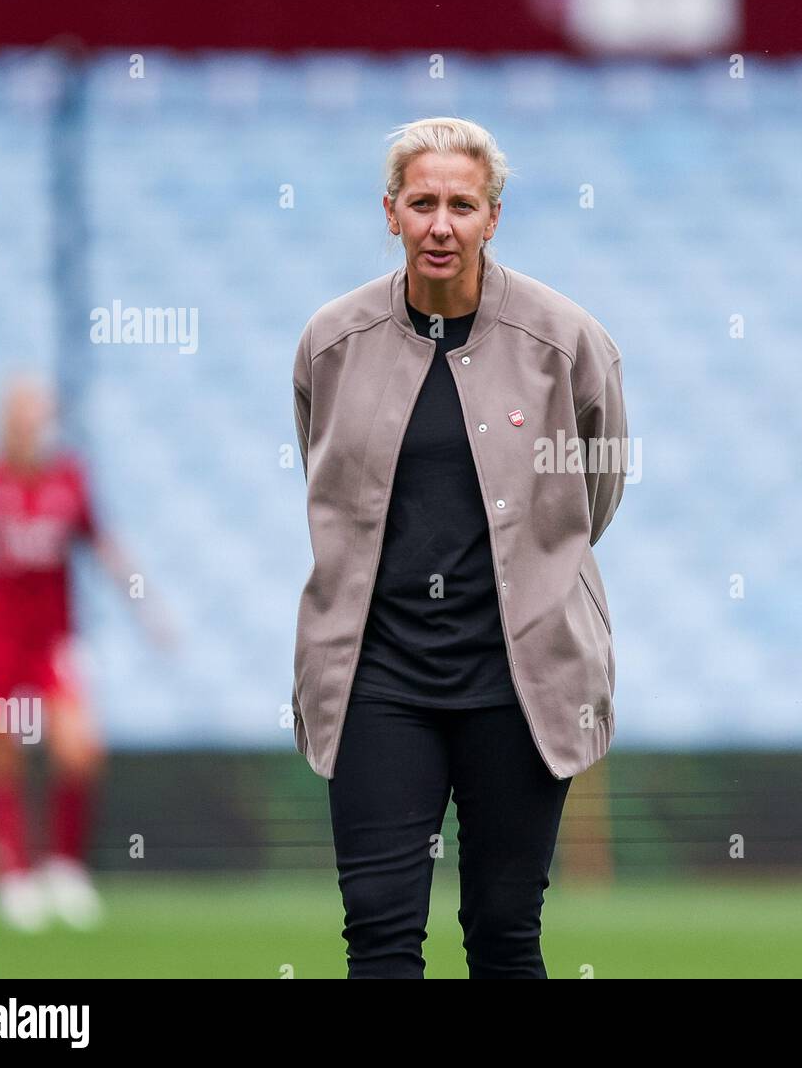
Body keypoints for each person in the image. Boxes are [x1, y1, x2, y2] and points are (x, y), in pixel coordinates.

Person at [290, 116, 628, 978]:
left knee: (504, 929)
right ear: (392, 212)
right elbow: (326, 478)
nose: (442, 223)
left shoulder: (567, 342)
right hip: (379, 675)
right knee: (378, 932)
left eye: (462, 205)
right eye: (423, 202)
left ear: (494, 217)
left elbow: (597, 490)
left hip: (518, 679)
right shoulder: (332, 343)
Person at [0, 375, 174, 931]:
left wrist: (150, 610)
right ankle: (14, 874)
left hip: (53, 641)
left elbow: (104, 546)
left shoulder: (68, 479)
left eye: (39, 413)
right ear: (4, 419)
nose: (31, 424)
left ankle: (65, 868)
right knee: (2, 752)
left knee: (80, 749)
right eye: (22, 413)